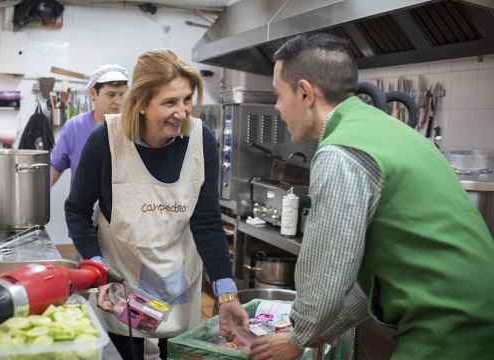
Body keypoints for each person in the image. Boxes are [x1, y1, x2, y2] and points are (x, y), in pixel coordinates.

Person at [249, 33, 494, 360]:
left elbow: (328, 269)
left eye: (278, 96)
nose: (278, 108)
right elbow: (367, 281)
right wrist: (316, 331)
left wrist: (298, 336)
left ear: (306, 93)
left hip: (448, 322)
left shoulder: (341, 152)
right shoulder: (386, 129)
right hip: (474, 313)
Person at [66, 49, 248, 360]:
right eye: (169, 102)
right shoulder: (106, 141)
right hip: (121, 283)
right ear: (139, 104)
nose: (182, 112)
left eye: (186, 100)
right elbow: (77, 212)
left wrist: (226, 291)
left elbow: (206, 221)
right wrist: (97, 266)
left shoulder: (200, 139)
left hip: (178, 280)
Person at [50, 64, 129, 186]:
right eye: (111, 95)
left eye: (122, 95)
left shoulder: (132, 128)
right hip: (83, 204)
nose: (118, 101)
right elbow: (53, 170)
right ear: (93, 93)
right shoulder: (75, 128)